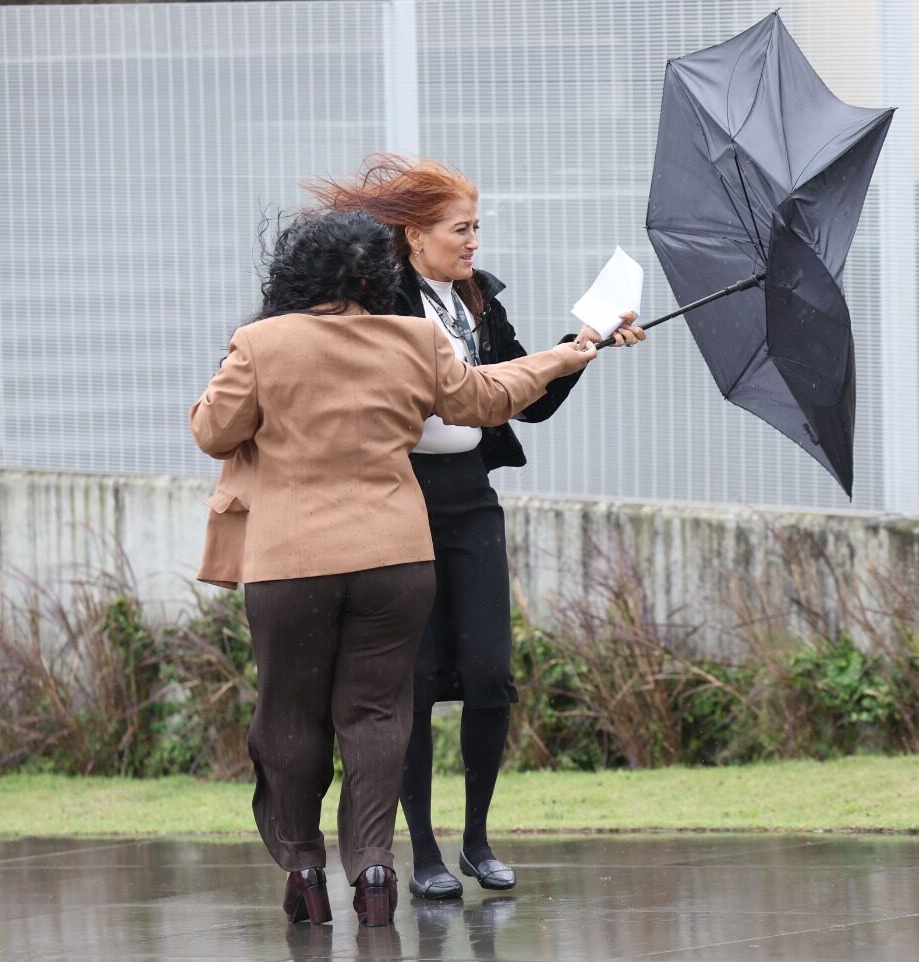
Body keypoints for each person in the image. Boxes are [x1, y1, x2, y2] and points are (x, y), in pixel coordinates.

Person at [190, 210, 595, 926]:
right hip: (396, 560)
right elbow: (488, 398)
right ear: (381, 275)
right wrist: (564, 357)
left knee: (291, 715)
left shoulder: (260, 343)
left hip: (293, 566)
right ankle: (374, 870)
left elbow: (212, 431)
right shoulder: (416, 338)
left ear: (295, 274)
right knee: (378, 713)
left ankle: (305, 867)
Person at [310, 155, 644, 899]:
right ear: (414, 236)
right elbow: (432, 392)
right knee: (417, 679)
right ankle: (424, 852)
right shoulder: (378, 302)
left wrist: (585, 344)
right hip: (400, 499)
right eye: (460, 229)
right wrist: (559, 357)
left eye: (476, 227)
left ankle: (477, 841)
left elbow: (529, 399)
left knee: (490, 673)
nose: (473, 242)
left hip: (470, 496)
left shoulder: (477, 300)